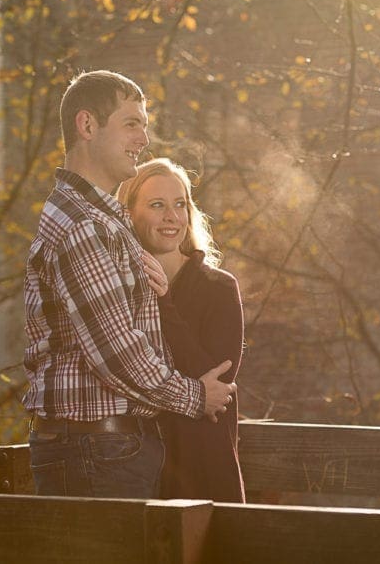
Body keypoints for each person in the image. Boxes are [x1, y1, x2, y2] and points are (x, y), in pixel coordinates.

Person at [22, 70, 236, 499]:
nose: (144, 138)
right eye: (131, 123)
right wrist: (195, 397)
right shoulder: (83, 225)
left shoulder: (100, 220)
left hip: (103, 447)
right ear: (87, 125)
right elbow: (118, 353)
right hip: (97, 450)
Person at [119, 158, 246, 502]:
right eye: (157, 205)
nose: (172, 216)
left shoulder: (218, 287)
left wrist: (164, 305)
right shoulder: (120, 290)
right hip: (137, 466)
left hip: (203, 469)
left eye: (180, 204)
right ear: (128, 214)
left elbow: (213, 384)